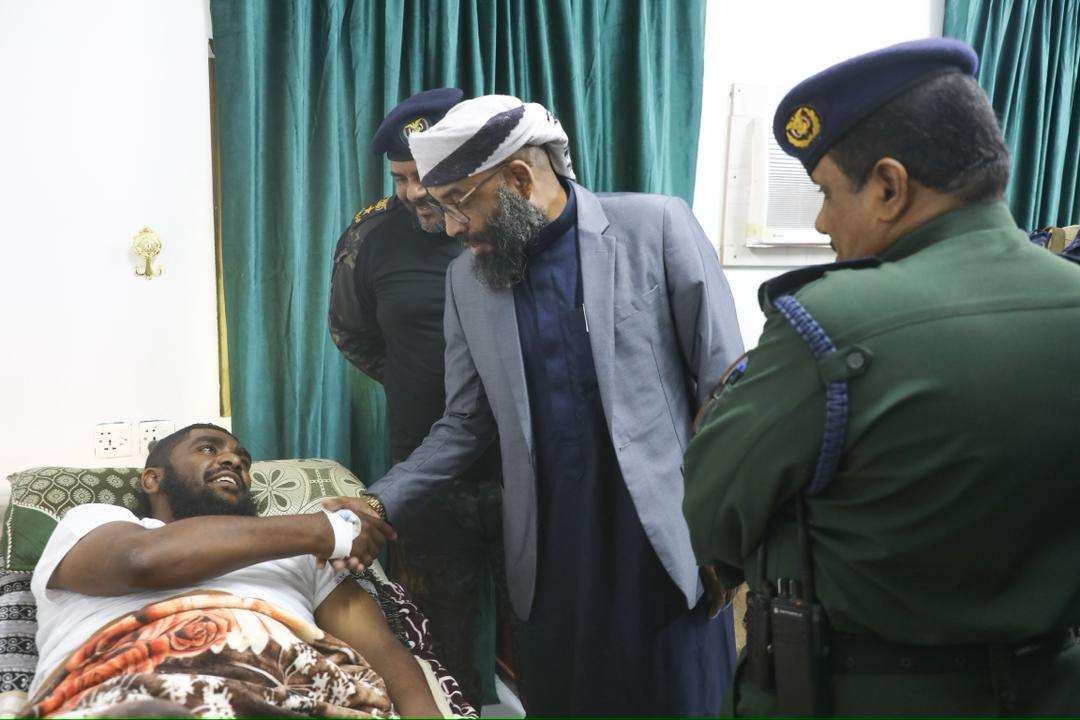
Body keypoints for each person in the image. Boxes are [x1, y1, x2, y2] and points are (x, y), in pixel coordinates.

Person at [683, 38, 1080, 716]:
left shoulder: (830, 321)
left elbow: (714, 515)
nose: (821, 221)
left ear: (890, 187)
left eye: (826, 192)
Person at [359, 94, 743, 715]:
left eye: (458, 203)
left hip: (661, 545)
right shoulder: (467, 280)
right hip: (552, 555)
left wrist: (728, 537)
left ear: (518, 179)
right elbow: (463, 424)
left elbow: (727, 392)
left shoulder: (655, 228)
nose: (451, 228)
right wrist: (377, 502)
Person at [25, 423, 446, 718]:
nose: (233, 461)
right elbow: (140, 561)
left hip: (298, 695)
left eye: (243, 460)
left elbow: (383, 652)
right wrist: (325, 529)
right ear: (152, 479)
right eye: (209, 449)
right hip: (130, 692)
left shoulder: (301, 554)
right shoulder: (97, 521)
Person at [328, 87, 505, 707]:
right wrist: (417, 381)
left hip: (523, 467)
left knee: (541, 623)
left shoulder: (508, 221)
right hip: (424, 469)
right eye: (398, 178)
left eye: (420, 176)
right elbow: (350, 331)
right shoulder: (371, 234)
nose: (409, 193)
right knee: (438, 630)